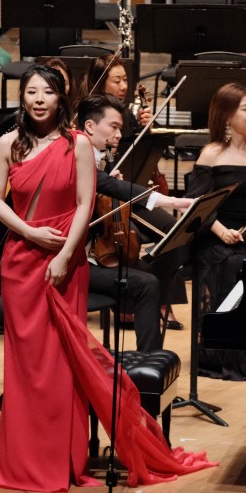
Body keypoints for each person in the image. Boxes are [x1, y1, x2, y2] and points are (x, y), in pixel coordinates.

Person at [0, 65, 214, 491]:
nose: (38, 99)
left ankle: (62, 461)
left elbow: (86, 204)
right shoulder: (7, 145)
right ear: (22, 97)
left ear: (60, 99)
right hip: (20, 262)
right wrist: (29, 231)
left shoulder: (79, 145)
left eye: (47, 92)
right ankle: (21, 463)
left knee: (60, 367)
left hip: (64, 265)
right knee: (24, 368)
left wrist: (66, 255)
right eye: (31, 92)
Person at [79, 94, 194, 352]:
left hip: (91, 257)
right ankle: (147, 362)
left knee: (150, 275)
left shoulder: (96, 161)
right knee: (147, 283)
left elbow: (111, 187)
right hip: (77, 262)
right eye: (114, 127)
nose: (119, 134)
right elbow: (118, 188)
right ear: (89, 127)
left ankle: (149, 362)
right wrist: (172, 202)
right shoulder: (80, 159)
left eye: (121, 128)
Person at [185, 83, 246, 381]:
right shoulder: (211, 154)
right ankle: (225, 354)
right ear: (227, 116)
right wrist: (221, 230)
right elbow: (194, 206)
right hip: (217, 234)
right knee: (235, 264)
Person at [81, 54, 151, 137]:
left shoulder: (126, 114)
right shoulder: (87, 115)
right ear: (100, 85)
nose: (124, 87)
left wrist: (146, 128)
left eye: (125, 80)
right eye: (117, 81)